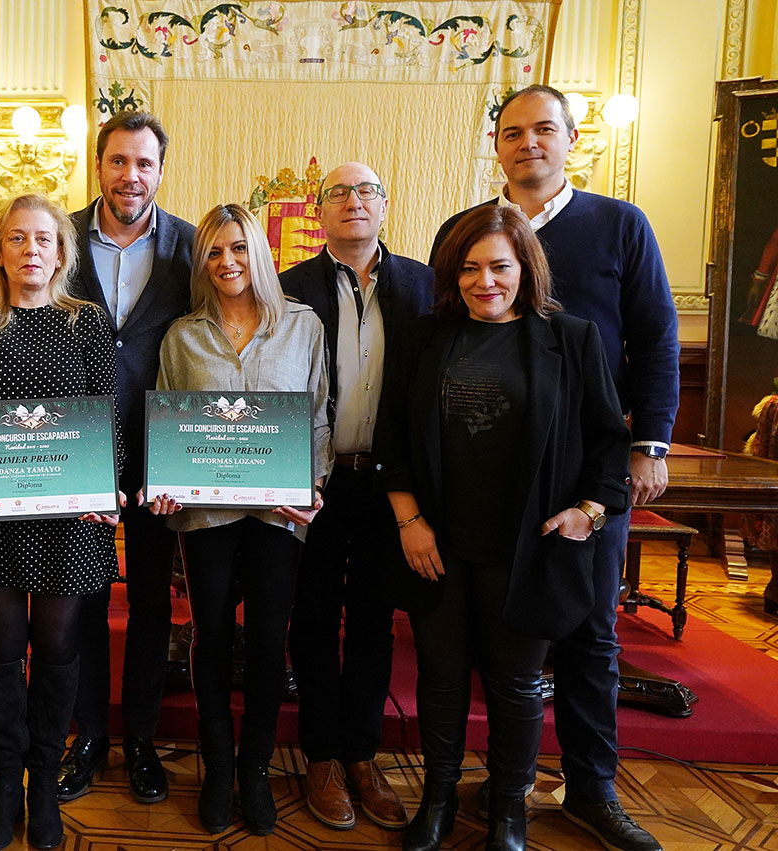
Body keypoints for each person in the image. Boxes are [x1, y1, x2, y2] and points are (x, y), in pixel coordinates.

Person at [431, 84, 678, 851]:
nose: (528, 143)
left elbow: (656, 335)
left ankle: (591, 788)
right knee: (497, 642)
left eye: (544, 129)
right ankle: (503, 783)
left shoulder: (619, 223)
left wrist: (649, 444)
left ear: (572, 137)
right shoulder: (469, 230)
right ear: (496, 145)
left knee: (590, 634)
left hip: (588, 477)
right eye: (513, 132)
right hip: (494, 484)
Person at [379, 205, 631, 851]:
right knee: (440, 678)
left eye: (499, 266)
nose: (484, 281)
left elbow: (609, 444)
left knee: (516, 685)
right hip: (438, 543)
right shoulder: (425, 337)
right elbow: (393, 437)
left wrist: (588, 512)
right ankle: (436, 801)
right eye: (469, 268)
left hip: (530, 547)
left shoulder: (571, 338)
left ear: (525, 268)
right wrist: (409, 520)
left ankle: (508, 812)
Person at [0, 194, 123, 851]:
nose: (31, 249)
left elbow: (107, 415)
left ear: (62, 253)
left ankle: (43, 784)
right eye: (17, 238)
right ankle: (4, 784)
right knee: (2, 650)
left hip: (68, 520)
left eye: (44, 238)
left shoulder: (85, 323)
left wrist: (108, 483)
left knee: (58, 650)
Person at [147, 203, 333, 836]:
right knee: (212, 635)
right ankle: (218, 766)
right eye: (214, 252)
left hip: (279, 514)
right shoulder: (182, 336)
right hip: (205, 515)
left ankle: (254, 768)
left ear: (261, 252)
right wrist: (163, 484)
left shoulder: (303, 327)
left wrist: (313, 484)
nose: (227, 262)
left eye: (238, 248)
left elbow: (319, 417)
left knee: (268, 639)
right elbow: (167, 420)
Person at [279, 162, 433, 831]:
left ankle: (363, 756)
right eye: (338, 193)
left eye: (366, 191)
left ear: (385, 206)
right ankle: (320, 756)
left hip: (390, 482)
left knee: (374, 620)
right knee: (311, 617)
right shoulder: (289, 287)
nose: (354, 201)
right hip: (314, 479)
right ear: (319, 211)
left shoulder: (425, 285)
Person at [59, 110, 196, 805]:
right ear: (99, 166)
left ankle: (140, 736)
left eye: (144, 163)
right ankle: (87, 735)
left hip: (156, 451)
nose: (131, 175)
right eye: (119, 161)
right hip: (72, 451)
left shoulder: (192, 247)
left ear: (161, 171)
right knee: (81, 598)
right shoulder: (55, 237)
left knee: (148, 601)